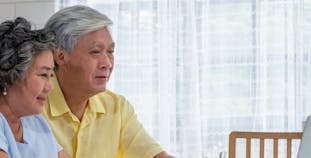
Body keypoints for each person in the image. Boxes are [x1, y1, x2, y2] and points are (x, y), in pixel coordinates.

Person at [42, 5, 174, 158]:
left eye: (110, 52)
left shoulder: (117, 107)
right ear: (61, 57)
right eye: (95, 52)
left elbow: (156, 156)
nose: (107, 63)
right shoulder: (32, 108)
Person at [0, 17, 71, 158]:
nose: (50, 87)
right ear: (10, 75)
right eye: (43, 74)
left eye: (51, 75)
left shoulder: (36, 122)